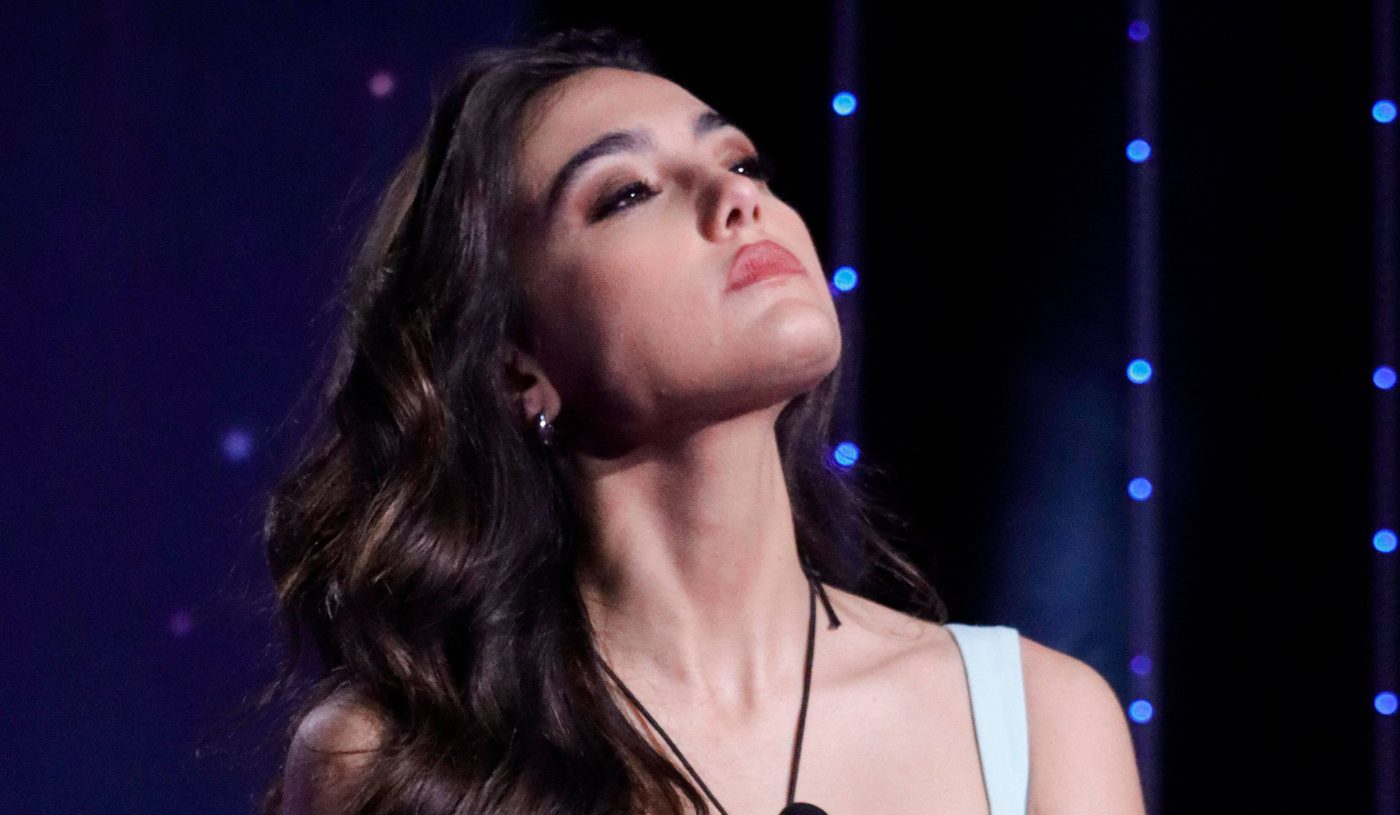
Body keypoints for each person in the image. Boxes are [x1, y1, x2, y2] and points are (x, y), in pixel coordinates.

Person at [261, 25, 1147, 815]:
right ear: (513, 362)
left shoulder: (1043, 721)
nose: (734, 197)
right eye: (626, 193)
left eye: (744, 163)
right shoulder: (395, 763)